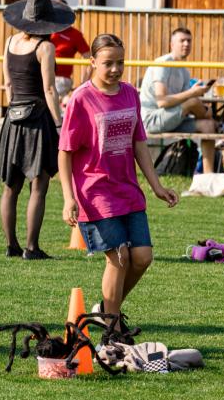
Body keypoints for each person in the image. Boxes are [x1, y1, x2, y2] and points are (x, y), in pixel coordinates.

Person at [59, 33, 179, 316]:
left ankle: (105, 311)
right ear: (92, 62)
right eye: (108, 63)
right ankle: (111, 328)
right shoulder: (81, 99)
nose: (115, 69)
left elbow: (139, 143)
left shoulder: (130, 94)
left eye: (120, 62)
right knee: (119, 258)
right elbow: (65, 151)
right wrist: (68, 198)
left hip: (127, 190)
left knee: (142, 257)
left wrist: (156, 186)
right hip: (96, 192)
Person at [0, 0, 67, 260]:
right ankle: (32, 247)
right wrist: (59, 123)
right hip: (37, 119)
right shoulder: (45, 47)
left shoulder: (10, 42)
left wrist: (14, 110)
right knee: (39, 185)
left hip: (13, 117)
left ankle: (11, 246)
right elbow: (49, 89)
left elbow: (7, 84)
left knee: (10, 187)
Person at [139, 27, 218, 175]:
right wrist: (192, 93)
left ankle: (208, 176)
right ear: (172, 44)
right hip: (151, 120)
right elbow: (162, 102)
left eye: (189, 41)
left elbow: (184, 100)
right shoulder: (163, 63)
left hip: (171, 118)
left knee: (207, 125)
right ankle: (212, 118)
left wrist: (194, 92)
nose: (186, 44)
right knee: (194, 103)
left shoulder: (184, 71)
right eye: (182, 41)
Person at [48, 0, 89, 103]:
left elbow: (89, 58)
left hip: (60, 79)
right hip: (39, 75)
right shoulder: (43, 30)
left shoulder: (75, 34)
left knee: (51, 98)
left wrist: (83, 84)